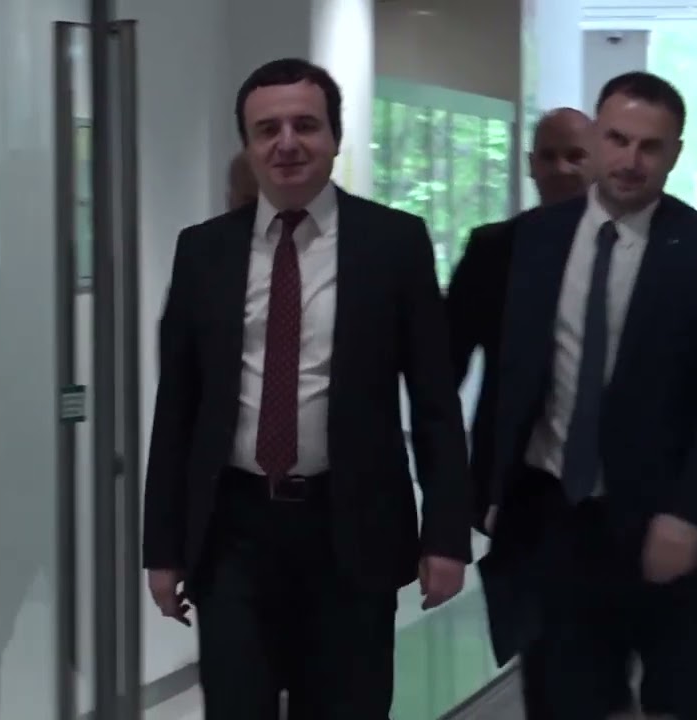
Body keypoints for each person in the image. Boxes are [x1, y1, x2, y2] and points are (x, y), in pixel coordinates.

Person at [142, 57, 472, 719]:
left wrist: (445, 535)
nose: (286, 143)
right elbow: (177, 408)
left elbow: (435, 402)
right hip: (233, 531)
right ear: (248, 144)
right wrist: (163, 547)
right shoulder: (203, 250)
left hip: (350, 528)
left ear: (335, 137)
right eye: (267, 130)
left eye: (305, 125)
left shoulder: (394, 243)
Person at [487, 70, 697, 720]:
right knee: (566, 700)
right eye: (617, 139)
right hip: (559, 524)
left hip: (674, 527)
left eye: (650, 146)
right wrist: (488, 489)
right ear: (596, 136)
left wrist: (686, 513)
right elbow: (508, 373)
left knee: (679, 702)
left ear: (674, 154)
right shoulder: (535, 240)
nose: (631, 160)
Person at [446, 107, 627, 717]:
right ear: (529, 166)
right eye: (548, 157)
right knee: (545, 661)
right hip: (531, 490)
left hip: (620, 489)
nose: (562, 169)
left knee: (611, 661)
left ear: (599, 161)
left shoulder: (637, 247)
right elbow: (445, 367)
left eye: (576, 155)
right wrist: (457, 490)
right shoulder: (495, 250)